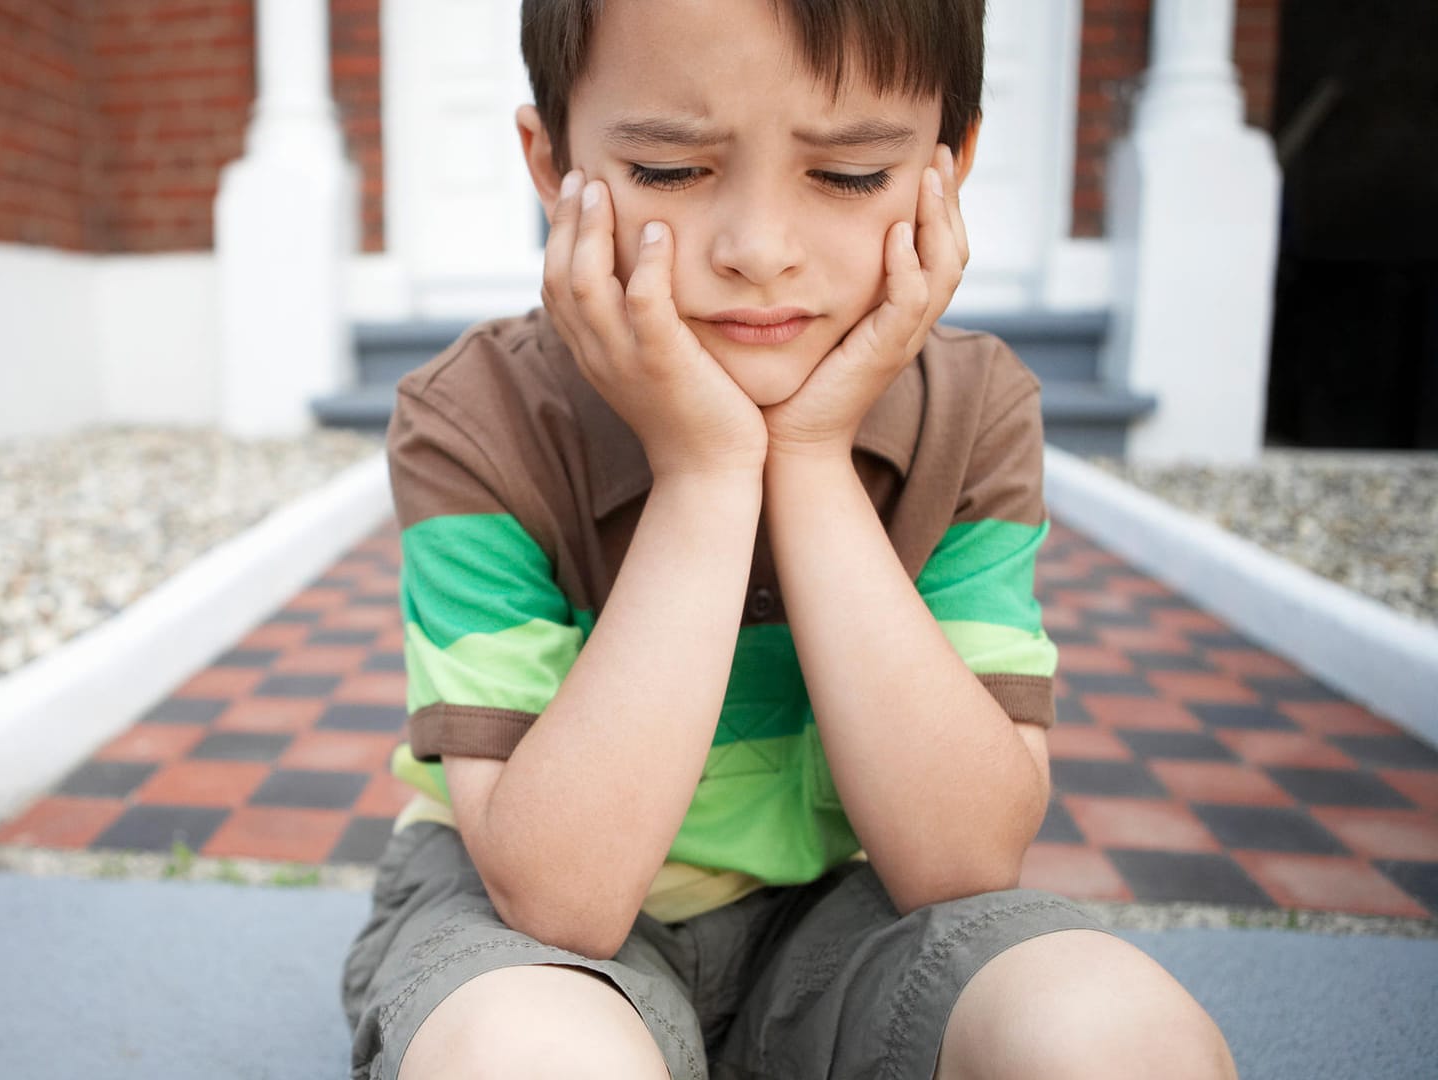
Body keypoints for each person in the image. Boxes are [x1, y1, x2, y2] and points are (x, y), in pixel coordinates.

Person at [341, 1, 1238, 1077]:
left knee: (1120, 1039)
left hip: (847, 910)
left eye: (851, 174)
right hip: (520, 933)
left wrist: (810, 457)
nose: (759, 251)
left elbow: (962, 860)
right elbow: (561, 899)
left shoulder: (976, 411)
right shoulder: (474, 418)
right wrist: (707, 471)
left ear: (948, 167)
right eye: (669, 170)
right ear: (550, 160)